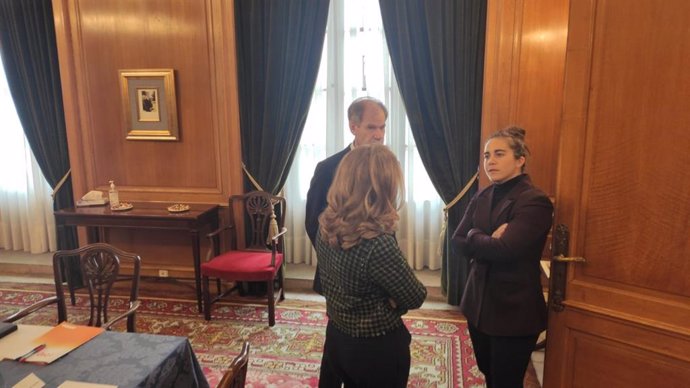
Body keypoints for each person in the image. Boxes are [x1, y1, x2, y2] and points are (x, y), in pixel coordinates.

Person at [316, 144, 427, 388]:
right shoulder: (377, 244)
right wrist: (390, 300)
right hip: (375, 350)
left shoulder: (325, 225)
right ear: (384, 188)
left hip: (337, 337)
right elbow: (416, 296)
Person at [452, 126, 553, 388]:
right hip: (478, 305)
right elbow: (457, 242)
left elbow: (506, 250)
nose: (490, 161)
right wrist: (482, 236)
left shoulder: (535, 201)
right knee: (488, 372)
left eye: (499, 154)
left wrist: (474, 235)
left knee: (506, 381)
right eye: (487, 155)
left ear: (520, 160)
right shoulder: (482, 195)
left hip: (514, 310)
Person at [305, 96, 388, 293]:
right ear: (353, 127)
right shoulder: (328, 169)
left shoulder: (387, 167)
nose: (379, 135)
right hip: (338, 273)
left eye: (382, 127)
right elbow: (313, 222)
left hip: (380, 273)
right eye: (371, 127)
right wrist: (339, 261)